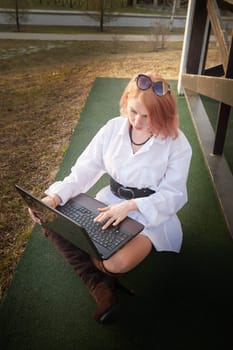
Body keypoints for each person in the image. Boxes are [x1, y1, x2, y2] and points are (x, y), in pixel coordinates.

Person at [29, 72, 192, 322]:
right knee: (52, 219)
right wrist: (53, 198)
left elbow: (175, 195)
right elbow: (84, 170)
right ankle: (101, 288)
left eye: (146, 116)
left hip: (150, 213)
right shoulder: (112, 128)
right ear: (126, 100)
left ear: (162, 113)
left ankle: (103, 275)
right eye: (133, 110)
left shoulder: (177, 144)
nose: (137, 121)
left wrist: (131, 205)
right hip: (109, 203)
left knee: (115, 264)